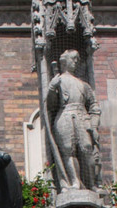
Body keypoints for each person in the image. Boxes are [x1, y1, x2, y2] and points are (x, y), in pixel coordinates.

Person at [46, 49, 101, 190]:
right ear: (65, 62)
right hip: (64, 115)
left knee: (86, 148)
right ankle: (74, 182)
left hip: (82, 116)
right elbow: (51, 105)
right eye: (73, 59)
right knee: (67, 149)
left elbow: (94, 105)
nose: (76, 62)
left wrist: (94, 125)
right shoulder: (58, 81)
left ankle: (90, 184)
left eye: (77, 60)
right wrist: (52, 88)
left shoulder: (83, 84)